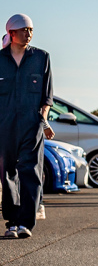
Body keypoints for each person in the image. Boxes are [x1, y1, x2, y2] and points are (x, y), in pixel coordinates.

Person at [0, 14, 53, 238]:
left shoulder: (42, 58)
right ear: (11, 33)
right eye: (23, 29)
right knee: (7, 173)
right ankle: (11, 222)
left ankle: (25, 224)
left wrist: (42, 120)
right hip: (4, 127)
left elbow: (47, 96)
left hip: (32, 125)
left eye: (31, 29)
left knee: (30, 172)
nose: (28, 33)